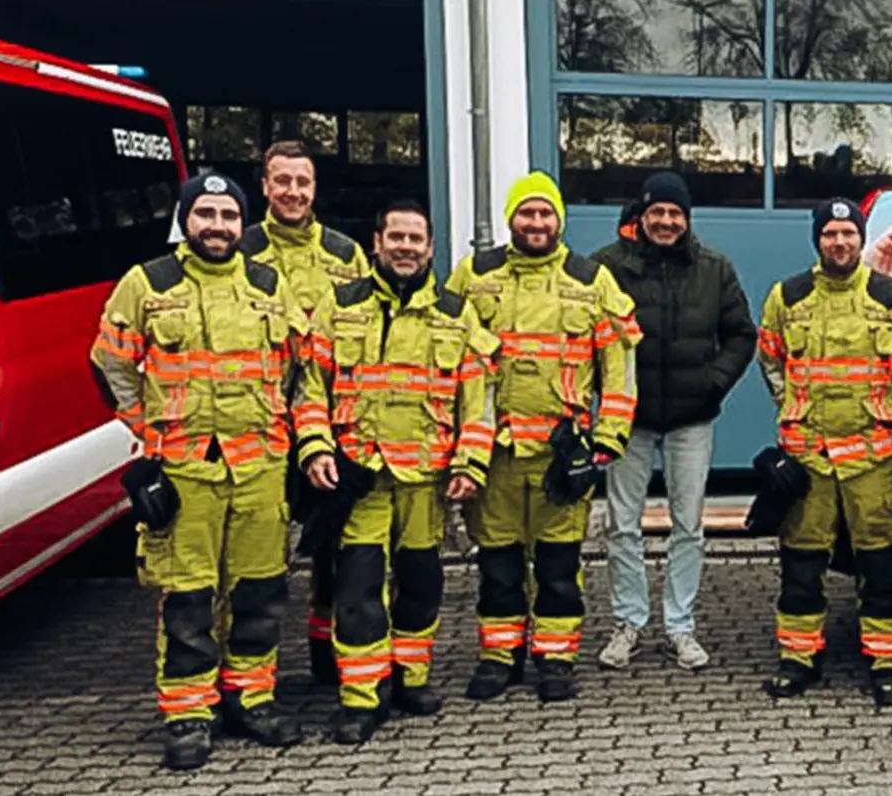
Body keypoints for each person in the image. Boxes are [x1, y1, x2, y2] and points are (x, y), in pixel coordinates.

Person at [89, 173, 322, 770]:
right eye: (206, 215)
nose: (217, 226)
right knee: (189, 596)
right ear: (186, 221)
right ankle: (190, 714)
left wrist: (305, 438)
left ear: (240, 222)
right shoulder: (147, 283)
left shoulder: (269, 285)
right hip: (187, 469)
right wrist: (148, 429)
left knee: (260, 592)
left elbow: (304, 372)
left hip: (261, 468)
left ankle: (252, 700)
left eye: (227, 216)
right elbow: (110, 363)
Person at [298, 200, 500, 743]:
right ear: (377, 243)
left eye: (417, 239)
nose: (406, 247)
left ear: (431, 248)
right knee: (357, 590)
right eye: (397, 237)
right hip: (359, 478)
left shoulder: (457, 314)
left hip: (426, 481)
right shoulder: (338, 307)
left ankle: (411, 678)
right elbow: (309, 388)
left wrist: (470, 463)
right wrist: (317, 448)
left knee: (421, 587)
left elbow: (477, 402)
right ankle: (363, 698)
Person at [445, 171, 642, 702]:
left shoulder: (591, 279)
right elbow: (445, 357)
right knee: (499, 566)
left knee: (559, 569)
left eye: (545, 213)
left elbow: (618, 365)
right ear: (511, 218)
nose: (536, 222)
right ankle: (498, 656)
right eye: (526, 213)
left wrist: (609, 437)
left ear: (560, 220)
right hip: (497, 455)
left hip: (562, 456)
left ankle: (555, 659)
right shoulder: (473, 275)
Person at [754, 197, 892, 705]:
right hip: (808, 456)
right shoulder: (786, 296)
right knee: (801, 565)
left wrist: (884, 408)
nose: (839, 242)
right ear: (818, 240)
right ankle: (799, 659)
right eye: (830, 234)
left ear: (860, 238)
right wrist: (794, 413)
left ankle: (887, 662)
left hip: (874, 458)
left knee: (881, 566)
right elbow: (771, 362)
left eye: (848, 233)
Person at [591, 172, 756, 671]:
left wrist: (714, 381)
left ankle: (680, 627)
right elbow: (583, 336)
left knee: (689, 525)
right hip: (628, 420)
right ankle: (629, 624)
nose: (666, 221)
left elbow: (741, 335)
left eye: (675, 213)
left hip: (691, 418)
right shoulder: (605, 269)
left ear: (687, 220)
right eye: (657, 212)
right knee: (622, 524)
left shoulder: (714, 269)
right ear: (641, 217)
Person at [239, 140, 370, 685]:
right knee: (257, 558)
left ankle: (326, 651)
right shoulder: (237, 250)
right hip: (257, 426)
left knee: (333, 549)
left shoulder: (345, 255)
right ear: (265, 186)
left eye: (303, 182)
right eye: (282, 181)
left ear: (315, 189)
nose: (293, 192)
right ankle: (246, 678)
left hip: (331, 421)